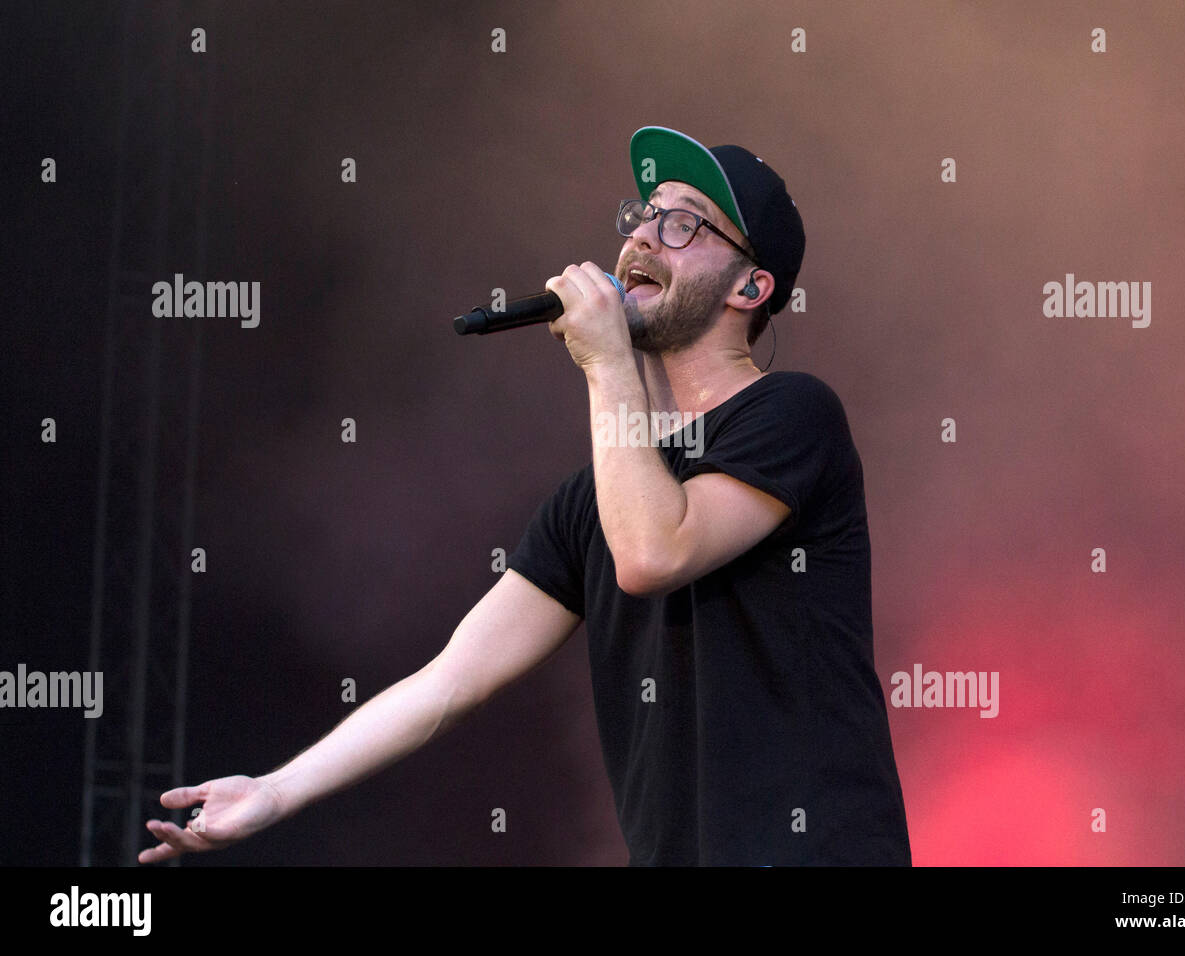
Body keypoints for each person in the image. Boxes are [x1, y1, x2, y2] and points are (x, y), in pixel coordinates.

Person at [139, 126, 911, 866]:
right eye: (641, 216)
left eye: (683, 223)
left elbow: (654, 552)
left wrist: (607, 363)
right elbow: (451, 681)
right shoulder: (591, 506)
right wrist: (276, 791)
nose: (641, 237)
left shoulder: (795, 414)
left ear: (752, 283)